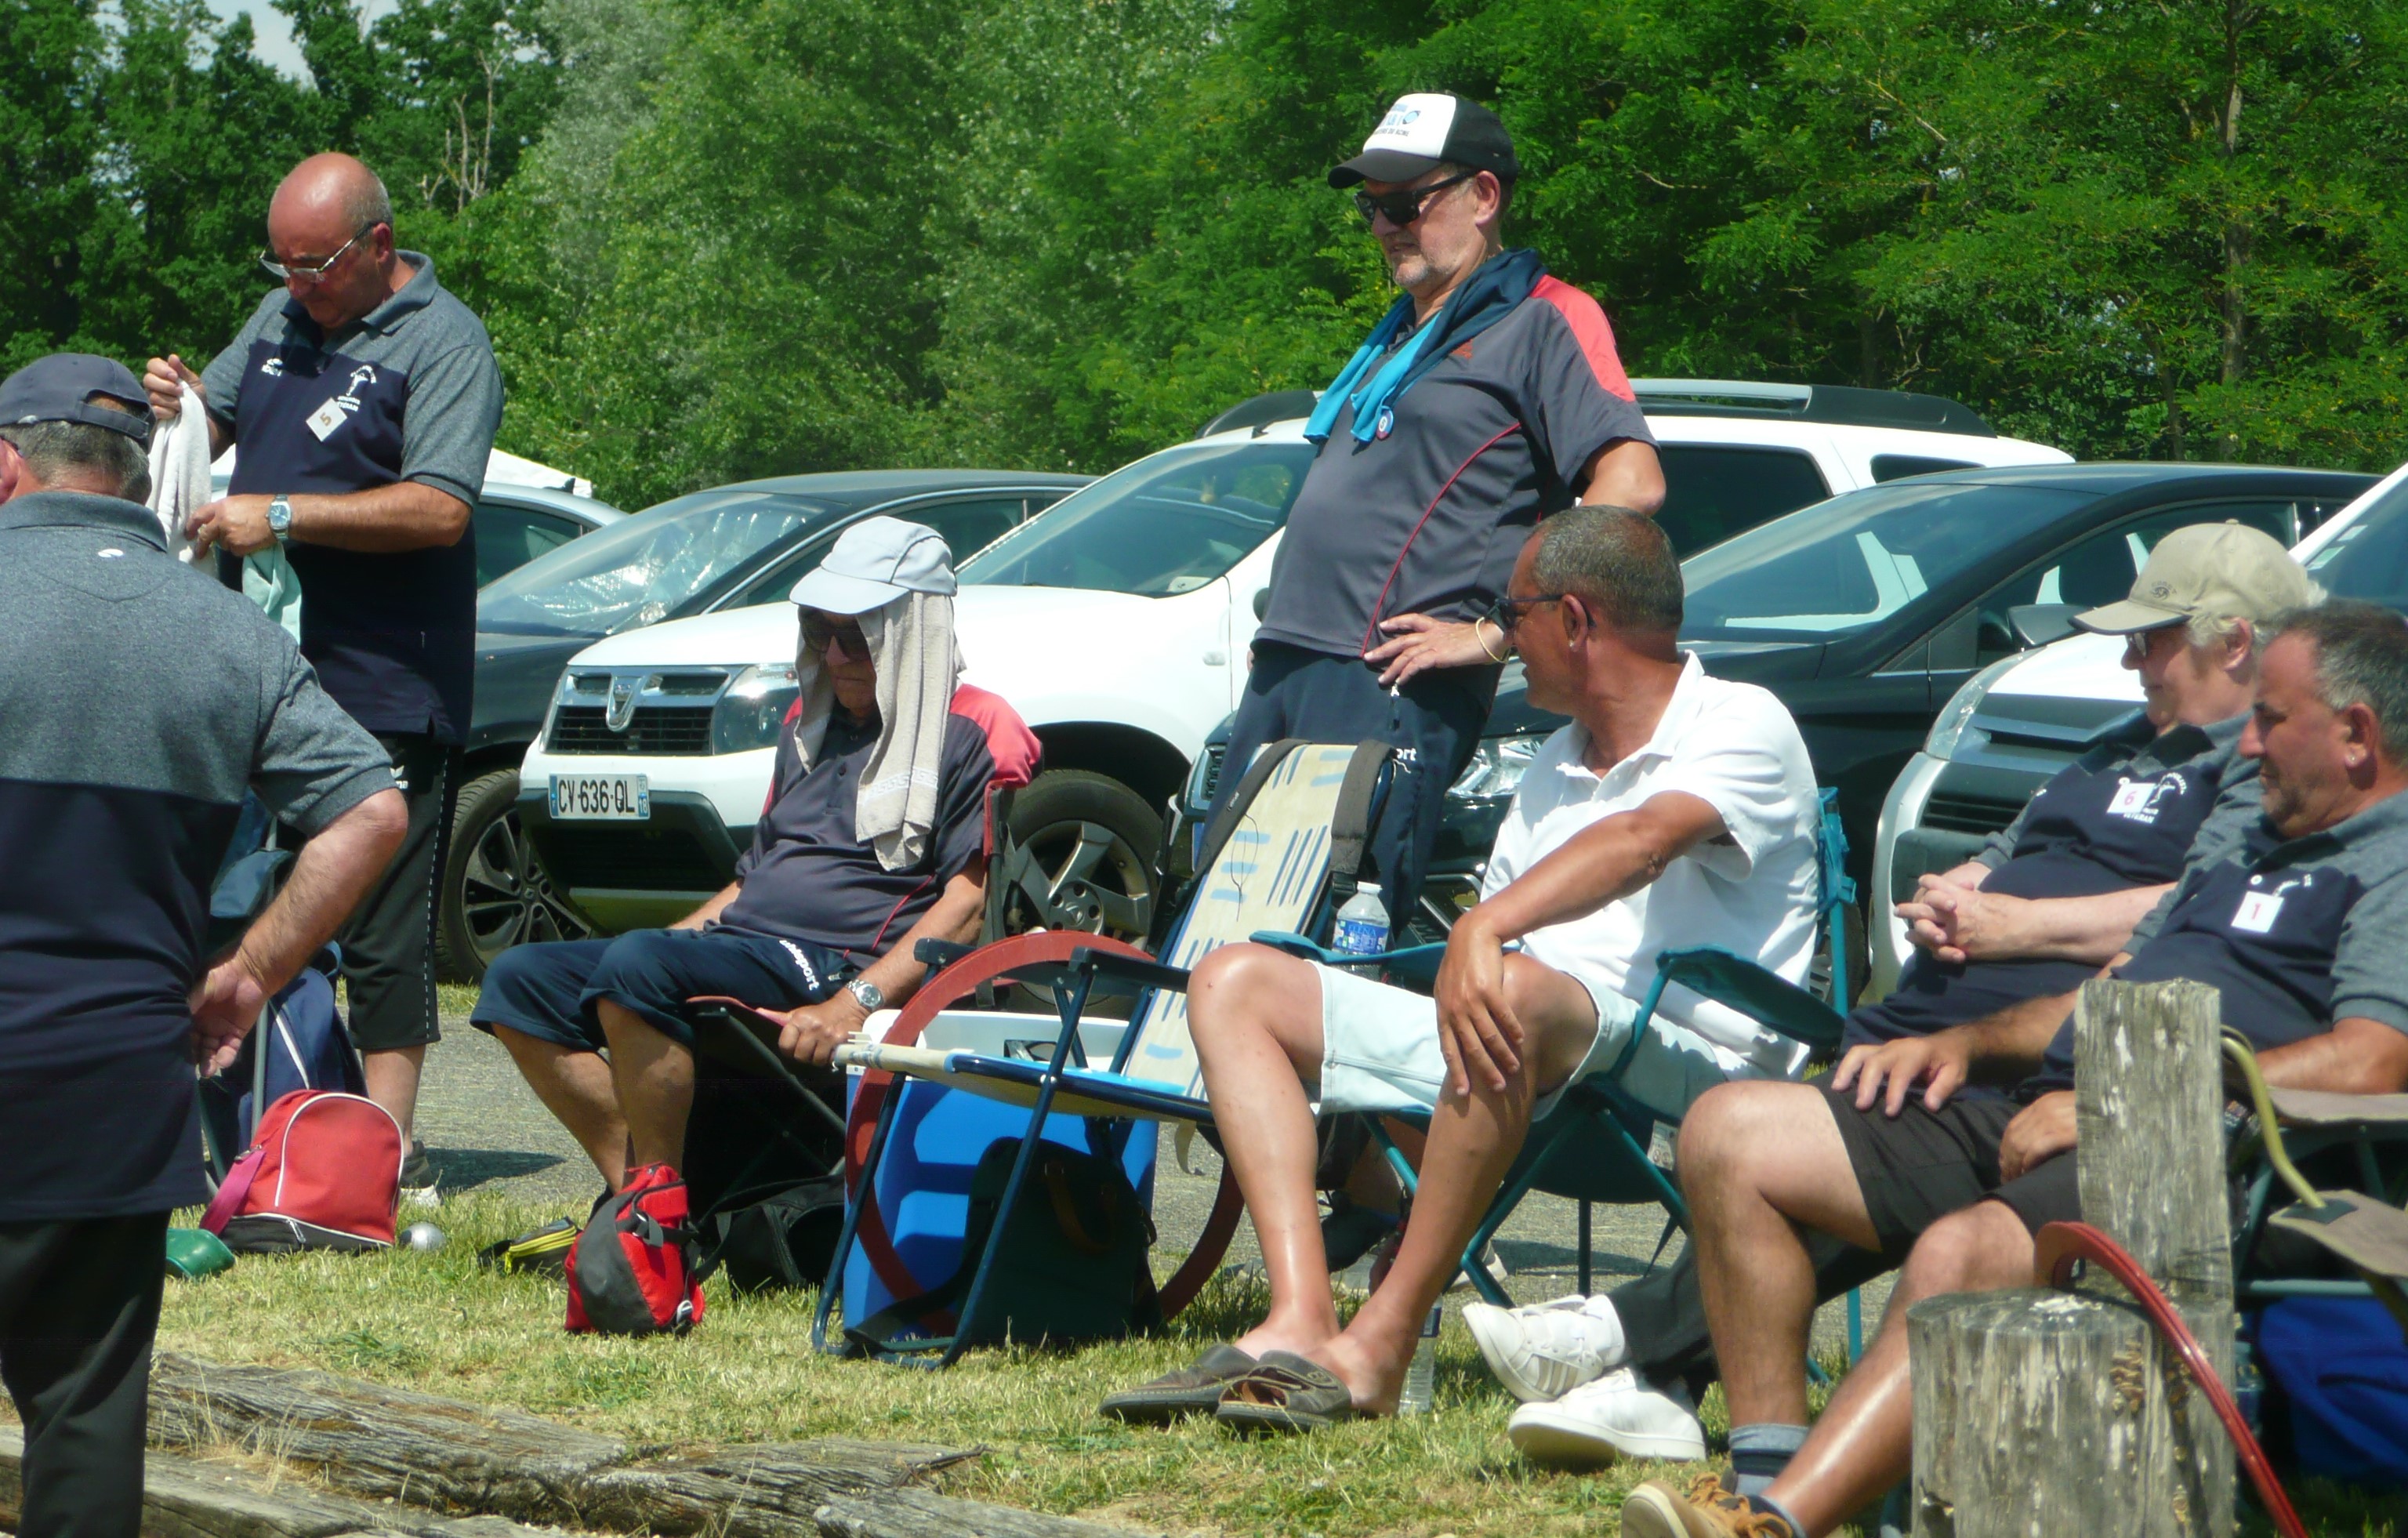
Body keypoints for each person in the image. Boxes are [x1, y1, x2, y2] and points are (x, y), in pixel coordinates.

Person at [1461, 521, 2320, 1464]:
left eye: (2152, 640)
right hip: (1931, 1029)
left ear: (2234, 643)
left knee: (1823, 1148)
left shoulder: (2262, 778)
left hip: (2025, 1063)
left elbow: (2192, 914)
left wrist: (2015, 933)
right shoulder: (2120, 743)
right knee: (1793, 1132)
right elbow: (2009, 855)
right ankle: (1672, 1390)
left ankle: (1636, 1350)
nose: (2130, 661)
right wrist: (1961, 893)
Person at [1619, 600, 2408, 1538]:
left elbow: (2372, 1059)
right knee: (1733, 1131)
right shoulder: (2245, 846)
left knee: (1961, 1252)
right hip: (2063, 1107)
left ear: (2357, 734)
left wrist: (2135, 1102)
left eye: (2272, 720)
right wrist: (1967, 1044)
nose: (2247, 749)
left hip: (2217, 1161)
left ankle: (1781, 1523)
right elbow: (2118, 983)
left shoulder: (2392, 862)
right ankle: (1769, 1465)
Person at [1098, 506, 1819, 1428]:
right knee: (1235, 980)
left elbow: (1645, 840)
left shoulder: (1742, 719)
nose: (1504, 641)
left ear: (1574, 620)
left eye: (1512, 616)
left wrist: (1482, 929)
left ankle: (1382, 1346)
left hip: (1696, 1056)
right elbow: (1509, 948)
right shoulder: (1554, 762)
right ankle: (1299, 1320)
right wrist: (1478, 948)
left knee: (1511, 988)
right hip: (1524, 1039)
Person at [0, 354, 405, 1536]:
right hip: (113, 1094)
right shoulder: (230, 636)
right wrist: (252, 974)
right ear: (136, 474)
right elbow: (374, 809)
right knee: (84, 1417)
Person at [1212, 92, 1665, 949]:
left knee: (1318, 951)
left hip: (1389, 683)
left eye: (1406, 203)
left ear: (1484, 196)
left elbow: (1632, 482)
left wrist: (1498, 631)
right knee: (1221, 927)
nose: (1384, 226)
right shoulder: (1401, 332)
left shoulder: (1544, 316)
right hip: (1293, 666)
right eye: (1371, 208)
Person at [472, 519, 1037, 1205]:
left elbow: (967, 906)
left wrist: (851, 1005)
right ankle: (648, 1191)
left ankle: (657, 1214)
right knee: (521, 979)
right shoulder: (810, 720)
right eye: (819, 632)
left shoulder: (974, 726)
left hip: (835, 962)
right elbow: (752, 878)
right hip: (750, 946)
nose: (832, 655)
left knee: (640, 966)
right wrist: (675, 940)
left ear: (910, 631)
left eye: (855, 635)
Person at [140, 152, 505, 1184]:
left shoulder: (446, 341)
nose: (294, 284)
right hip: (251, 667)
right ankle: (237, 1123)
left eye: (314, 265)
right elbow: (206, 423)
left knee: (383, 926)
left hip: (389, 676)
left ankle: (385, 1156)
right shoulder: (279, 321)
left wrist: (286, 514)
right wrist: (169, 404)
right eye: (283, 263)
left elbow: (441, 507)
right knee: (234, 898)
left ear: (377, 247)